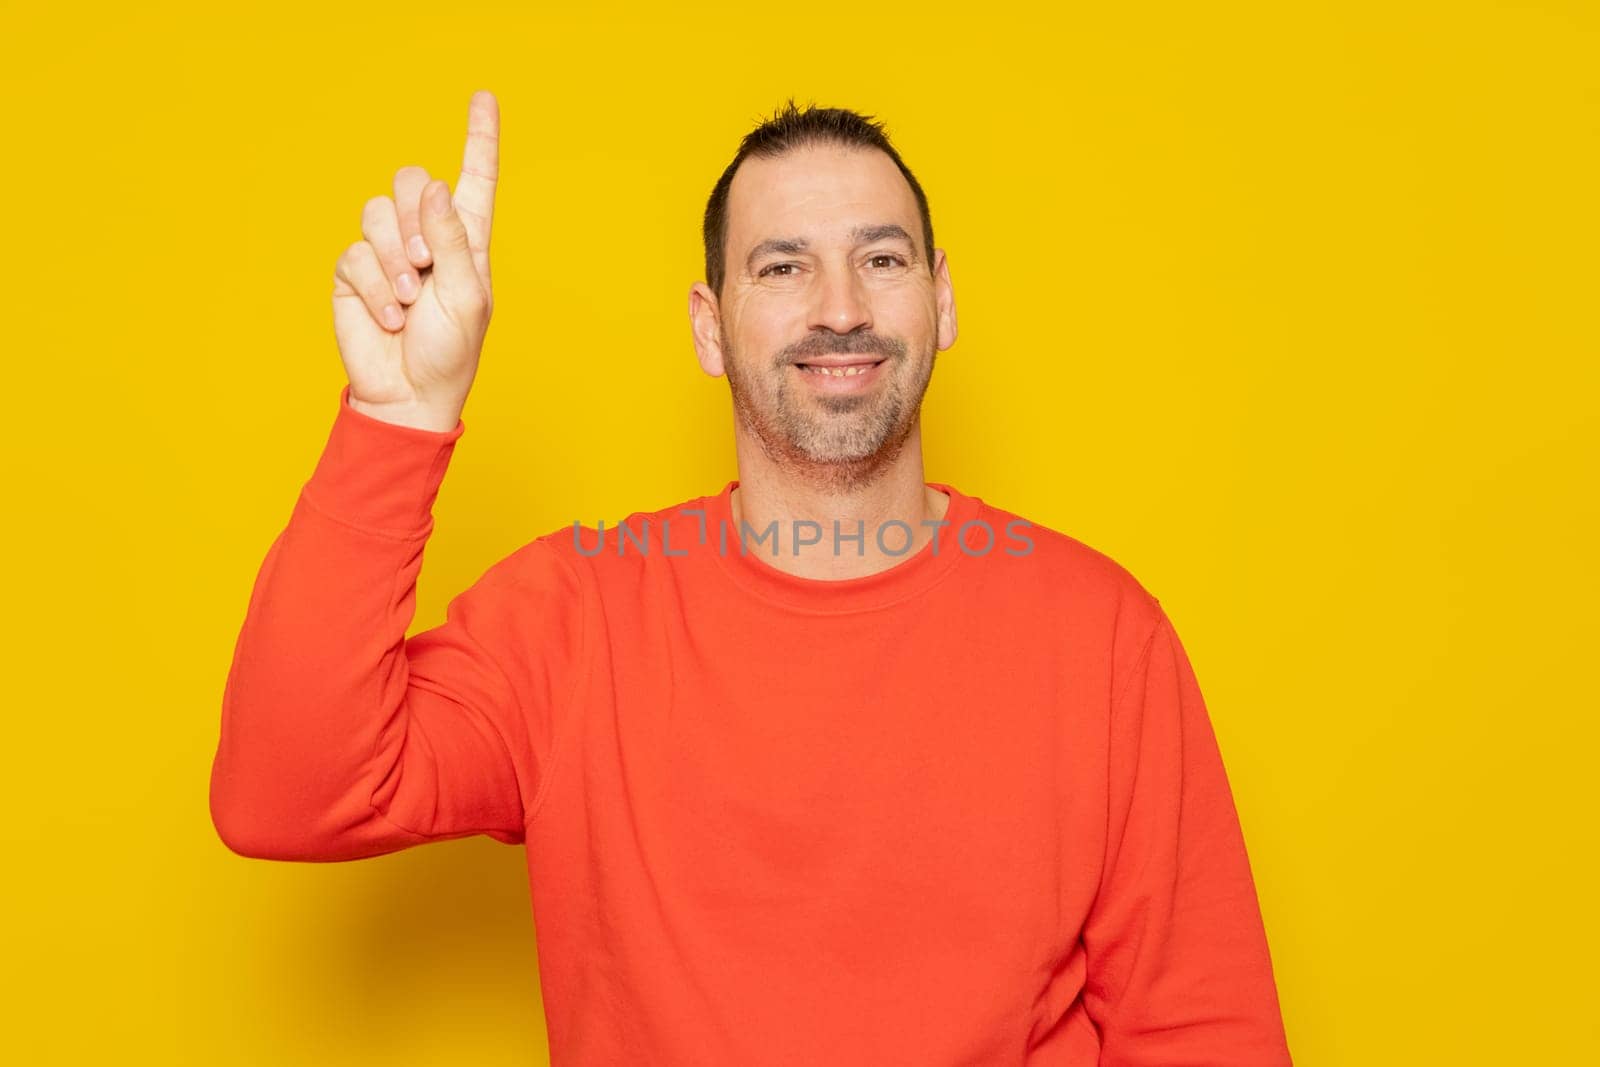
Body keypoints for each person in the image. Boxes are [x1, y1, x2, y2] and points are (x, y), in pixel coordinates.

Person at [209, 89, 1294, 1065]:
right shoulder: (577, 618)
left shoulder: (1101, 635)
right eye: (781, 266)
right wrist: (397, 421)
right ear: (708, 326)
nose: (839, 307)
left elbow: (1203, 1031)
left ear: (941, 300)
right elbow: (286, 792)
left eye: (882, 258)